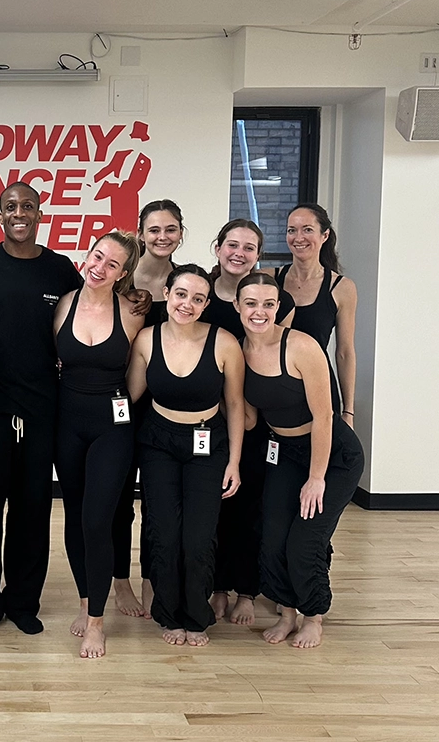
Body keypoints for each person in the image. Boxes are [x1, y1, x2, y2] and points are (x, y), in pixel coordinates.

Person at [0, 181, 83, 637]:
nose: (19, 213)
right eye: (10, 206)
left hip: (42, 407)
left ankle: (23, 602)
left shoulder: (60, 269)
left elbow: (85, 317)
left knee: (32, 509)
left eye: (27, 206)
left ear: (39, 214)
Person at [235, 273, 363, 648]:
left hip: (332, 455)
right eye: (251, 303)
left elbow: (325, 416)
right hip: (284, 451)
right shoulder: (239, 351)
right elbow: (249, 418)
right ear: (237, 306)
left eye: (269, 304)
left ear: (279, 307)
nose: (260, 312)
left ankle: (313, 615)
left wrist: (317, 477)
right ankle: (287, 612)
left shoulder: (301, 347)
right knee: (273, 536)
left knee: (304, 539)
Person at [126, 264, 244, 647]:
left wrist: (235, 462)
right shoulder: (147, 339)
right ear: (167, 295)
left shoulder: (224, 342)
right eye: (181, 294)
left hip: (207, 442)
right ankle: (168, 614)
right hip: (159, 441)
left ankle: (197, 615)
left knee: (198, 536)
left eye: (197, 298)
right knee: (163, 532)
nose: (187, 303)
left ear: (206, 303)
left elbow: (236, 405)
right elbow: (129, 397)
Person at [54, 231, 144, 658]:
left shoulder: (132, 311)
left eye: (112, 264)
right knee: (75, 517)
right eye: (97, 256)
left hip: (113, 425)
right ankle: (87, 599)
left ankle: (96, 624)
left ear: (123, 274)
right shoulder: (62, 305)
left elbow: (140, 376)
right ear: (86, 255)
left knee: (96, 519)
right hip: (66, 423)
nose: (100, 267)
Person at [202, 220, 295, 626]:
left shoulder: (273, 299)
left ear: (259, 254)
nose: (239, 253)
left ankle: (246, 591)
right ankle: (217, 586)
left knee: (250, 508)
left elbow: (272, 360)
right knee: (215, 509)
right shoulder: (203, 293)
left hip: (254, 419)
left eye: (250, 247)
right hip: (207, 417)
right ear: (218, 247)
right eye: (232, 244)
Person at [110, 199, 187, 619]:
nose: (162, 237)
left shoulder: (187, 282)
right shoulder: (123, 278)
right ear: (140, 233)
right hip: (125, 400)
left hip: (168, 408)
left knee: (159, 501)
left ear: (180, 233)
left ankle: (152, 578)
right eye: (154, 229)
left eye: (170, 229)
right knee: (121, 498)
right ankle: (120, 581)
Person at [272, 204, 357, 424]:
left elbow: (345, 352)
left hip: (318, 389)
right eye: (292, 230)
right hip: (274, 389)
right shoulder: (269, 279)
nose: (298, 237)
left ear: (324, 235)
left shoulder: (342, 287)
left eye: (307, 229)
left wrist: (348, 411)